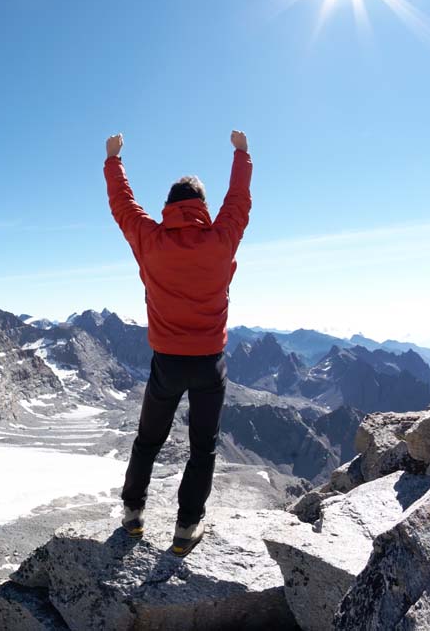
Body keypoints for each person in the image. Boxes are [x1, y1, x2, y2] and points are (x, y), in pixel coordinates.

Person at [103, 130, 252, 556]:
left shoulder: (151, 240)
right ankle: (187, 528)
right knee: (202, 447)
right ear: (202, 207)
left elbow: (123, 206)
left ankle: (133, 514)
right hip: (210, 364)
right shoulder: (221, 238)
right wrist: (242, 155)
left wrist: (114, 161)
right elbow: (238, 202)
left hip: (166, 363)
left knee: (147, 440)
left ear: (168, 206)